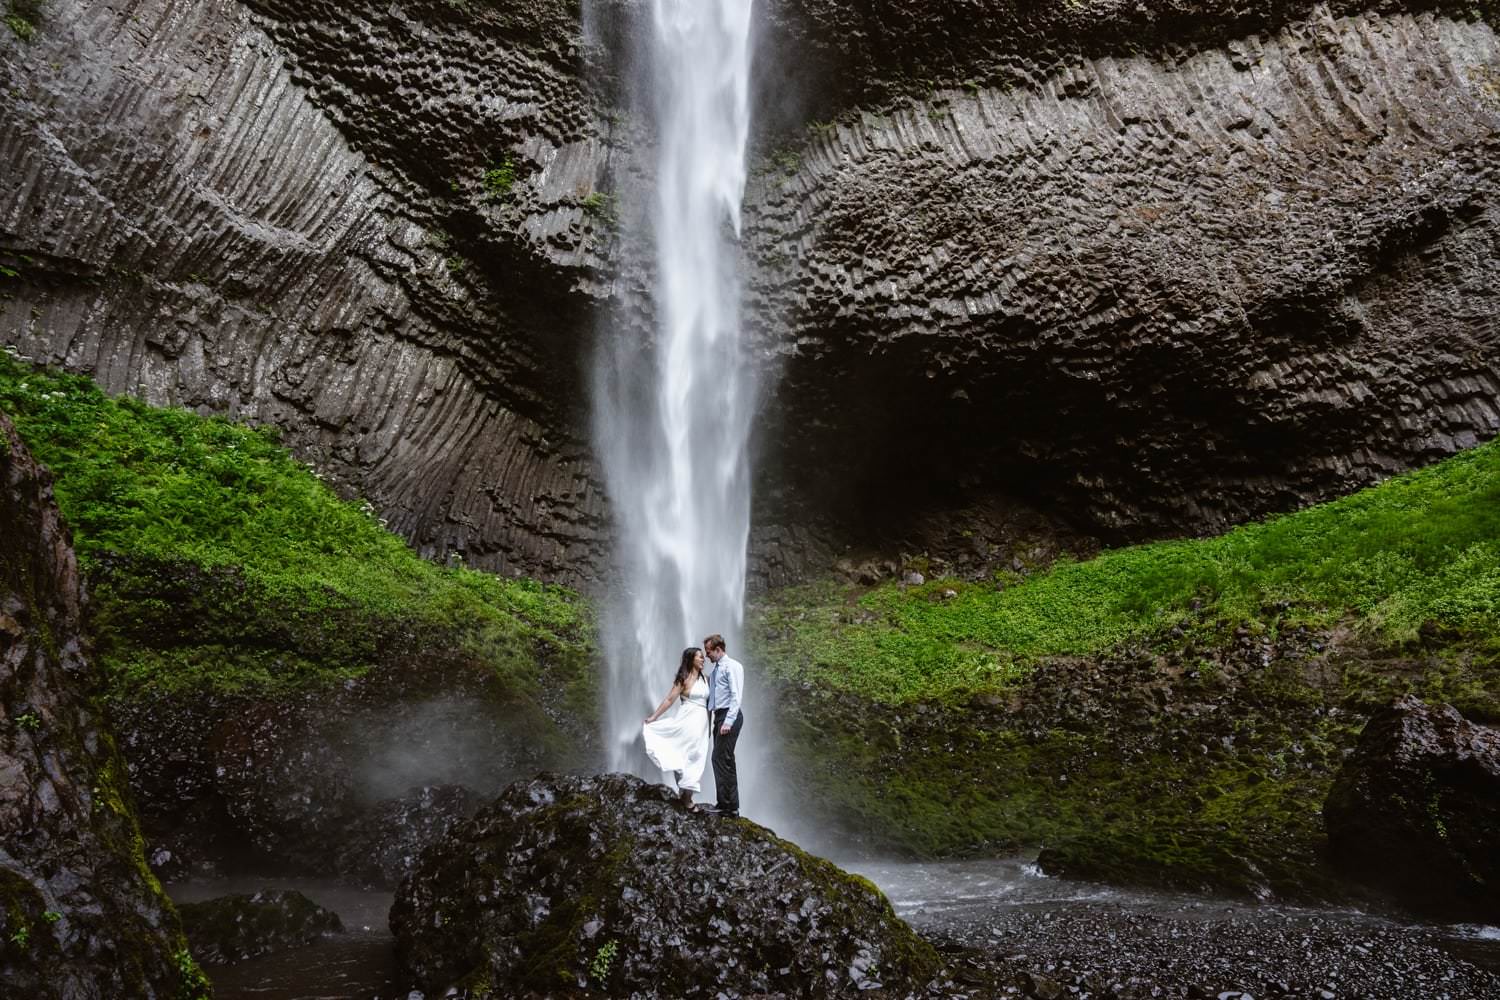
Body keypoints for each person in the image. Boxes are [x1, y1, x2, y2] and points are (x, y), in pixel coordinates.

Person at [642, 646, 711, 807]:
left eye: (703, 657)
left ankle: (686, 795)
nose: (703, 659)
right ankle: (686, 798)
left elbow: (709, 705)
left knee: (698, 756)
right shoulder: (683, 678)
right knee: (684, 754)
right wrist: (654, 717)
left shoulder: (706, 679)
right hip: (686, 720)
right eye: (700, 657)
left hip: (702, 723)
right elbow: (669, 699)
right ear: (691, 659)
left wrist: (710, 726)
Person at [703, 633, 744, 818]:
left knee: (720, 758)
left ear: (718, 650)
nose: (707, 656)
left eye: (709, 651)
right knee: (724, 759)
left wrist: (728, 721)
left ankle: (727, 806)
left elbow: (736, 695)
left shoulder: (732, 666)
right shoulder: (716, 671)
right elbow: (712, 696)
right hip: (720, 716)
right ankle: (728, 803)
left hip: (729, 716)